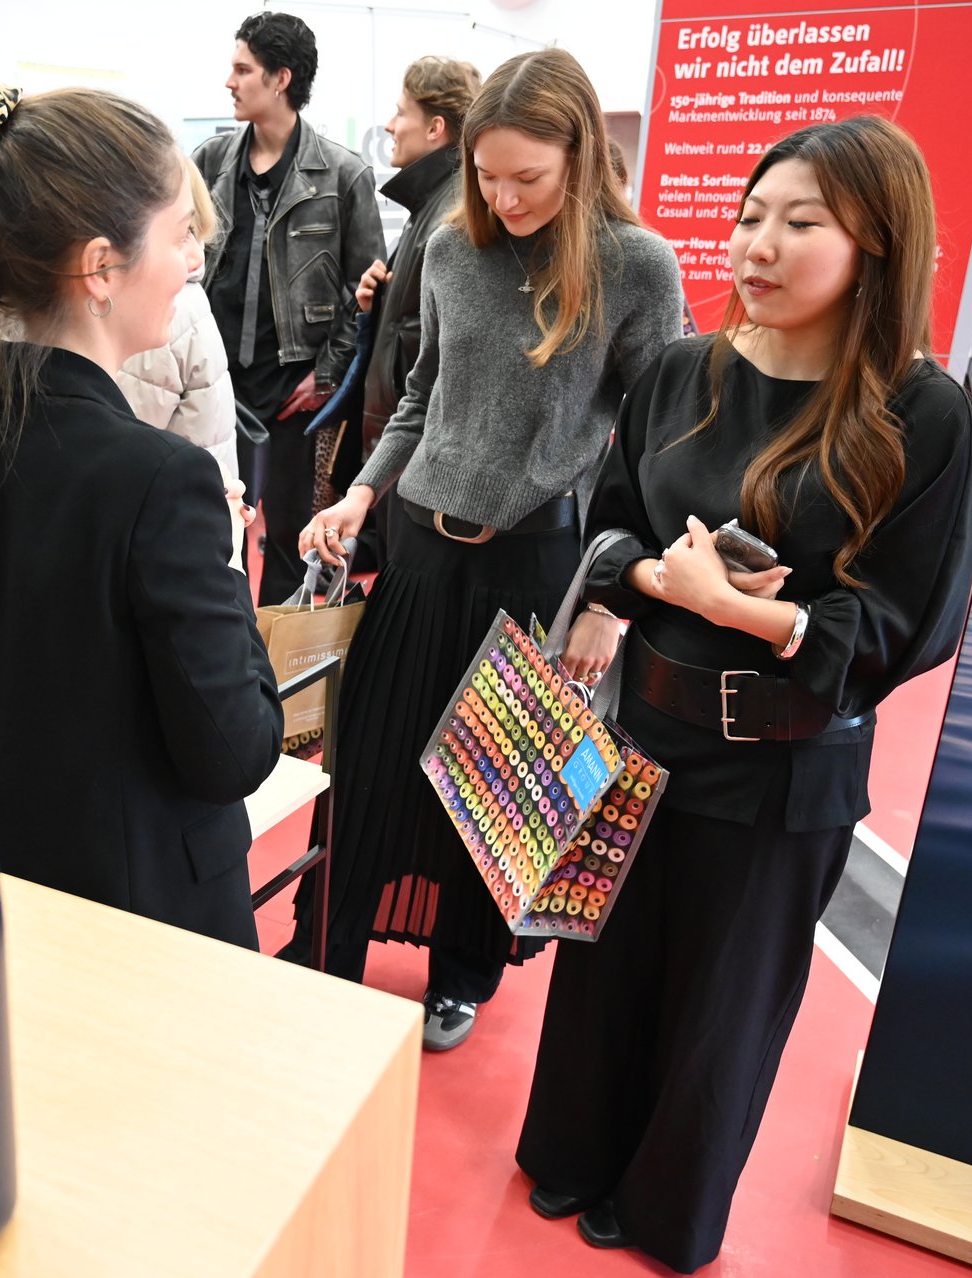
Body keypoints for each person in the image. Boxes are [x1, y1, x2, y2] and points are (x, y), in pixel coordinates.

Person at [516, 116, 972, 1272]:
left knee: (720, 1010)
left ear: (876, 245)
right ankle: (573, 1152)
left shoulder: (921, 413)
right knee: (604, 968)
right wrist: (651, 582)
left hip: (782, 766)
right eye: (750, 216)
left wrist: (746, 612)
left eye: (800, 223)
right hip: (643, 731)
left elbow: (912, 622)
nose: (758, 246)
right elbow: (611, 524)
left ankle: (664, 1208)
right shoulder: (686, 371)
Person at [281, 49, 684, 1050]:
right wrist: (361, 493)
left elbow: (655, 445)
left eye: (527, 177)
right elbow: (423, 393)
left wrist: (609, 598)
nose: (504, 198)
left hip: (533, 566)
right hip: (418, 554)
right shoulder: (454, 245)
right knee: (369, 766)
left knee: (495, 790)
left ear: (580, 154)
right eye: (487, 174)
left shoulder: (637, 266)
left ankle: (462, 973)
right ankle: (326, 948)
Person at [0, 86, 284, 947]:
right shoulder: (160, 482)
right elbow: (236, 750)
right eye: (179, 235)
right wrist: (227, 562)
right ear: (102, 267)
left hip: (4, 866)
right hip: (147, 916)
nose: (193, 262)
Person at [195, 11, 384, 604]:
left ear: (281, 78)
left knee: (287, 545)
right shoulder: (209, 163)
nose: (229, 81)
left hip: (293, 392)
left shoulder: (344, 175)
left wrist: (325, 376)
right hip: (215, 383)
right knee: (208, 530)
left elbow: (367, 295)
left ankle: (273, 654)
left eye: (242, 69)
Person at [337, 54, 480, 567]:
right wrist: (377, 307)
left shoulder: (450, 216)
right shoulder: (437, 206)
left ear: (435, 127)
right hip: (404, 452)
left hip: (411, 458)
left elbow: (435, 365)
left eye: (401, 113)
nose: (389, 126)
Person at [115, 157, 239, 486]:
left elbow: (125, 452)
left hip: (176, 501)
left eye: (188, 232)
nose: (196, 254)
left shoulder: (162, 307)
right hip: (200, 495)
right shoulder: (184, 298)